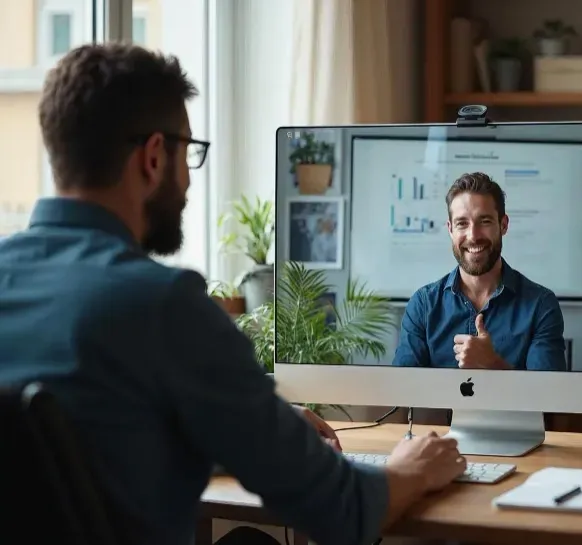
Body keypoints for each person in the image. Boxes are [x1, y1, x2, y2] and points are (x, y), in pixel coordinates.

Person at [0, 43, 466, 545]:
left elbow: (86, 441)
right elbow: (342, 509)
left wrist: (253, 425)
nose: (187, 181)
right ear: (154, 157)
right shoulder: (163, 305)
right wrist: (411, 468)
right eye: (188, 150)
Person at [391, 172, 567, 371]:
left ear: (503, 225)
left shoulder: (540, 306)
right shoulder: (423, 305)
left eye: (484, 222)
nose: (473, 236)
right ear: (450, 229)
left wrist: (492, 364)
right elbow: (401, 393)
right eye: (462, 223)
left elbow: (547, 397)